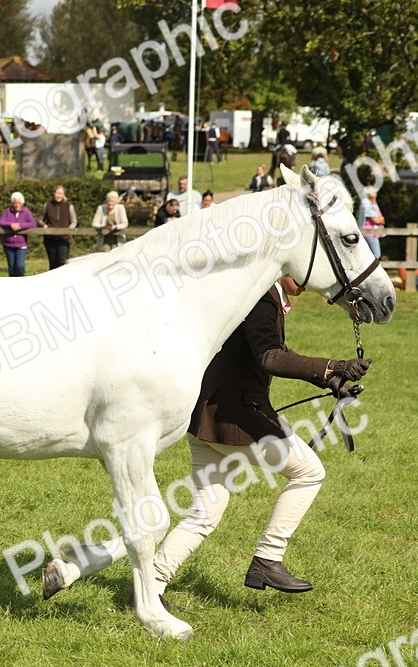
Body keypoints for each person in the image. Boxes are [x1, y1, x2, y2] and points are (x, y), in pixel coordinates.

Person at [42, 277, 372, 604]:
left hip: (206, 416)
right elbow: (271, 357)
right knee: (309, 472)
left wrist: (329, 379)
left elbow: (264, 355)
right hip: (237, 419)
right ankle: (268, 558)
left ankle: (151, 587)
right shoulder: (262, 294)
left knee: (205, 513)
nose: (303, 283)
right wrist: (333, 366)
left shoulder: (243, 287)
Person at [0, 191, 35, 277]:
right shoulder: (7, 211)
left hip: (21, 245)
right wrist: (11, 225)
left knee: (20, 266)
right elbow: (0, 222)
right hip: (8, 244)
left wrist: (20, 226)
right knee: (12, 267)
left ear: (22, 203)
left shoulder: (26, 212)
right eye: (15, 203)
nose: (17, 205)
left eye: (19, 203)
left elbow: (32, 223)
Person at [39, 185, 77, 270]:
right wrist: (43, 225)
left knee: (63, 262)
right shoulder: (47, 205)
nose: (58, 195)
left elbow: (74, 221)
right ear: (54, 193)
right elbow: (40, 219)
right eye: (57, 193)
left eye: (61, 193)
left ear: (63, 195)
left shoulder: (69, 206)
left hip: (64, 238)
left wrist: (69, 230)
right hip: (50, 239)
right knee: (53, 262)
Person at [359, 186, 385, 259]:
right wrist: (381, 220)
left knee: (373, 255)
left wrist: (381, 220)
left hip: (372, 233)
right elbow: (377, 220)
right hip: (369, 233)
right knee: (376, 255)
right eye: (375, 193)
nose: (376, 194)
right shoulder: (366, 204)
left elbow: (381, 220)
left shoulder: (372, 203)